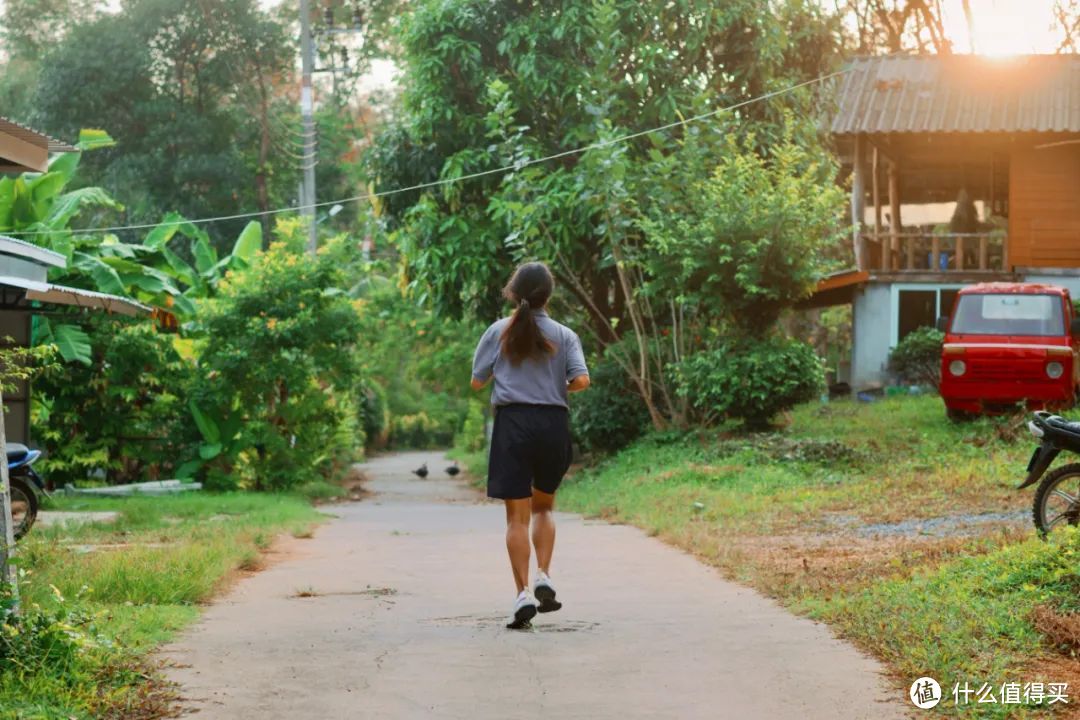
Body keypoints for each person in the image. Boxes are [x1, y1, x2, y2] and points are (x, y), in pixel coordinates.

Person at [470, 261, 590, 629]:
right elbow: (582, 380)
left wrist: (507, 378)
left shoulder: (498, 331)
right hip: (552, 424)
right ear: (548, 295)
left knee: (516, 517)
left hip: (514, 424)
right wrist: (556, 387)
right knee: (543, 508)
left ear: (514, 293)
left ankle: (522, 593)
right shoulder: (565, 334)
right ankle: (544, 574)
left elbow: (477, 382)